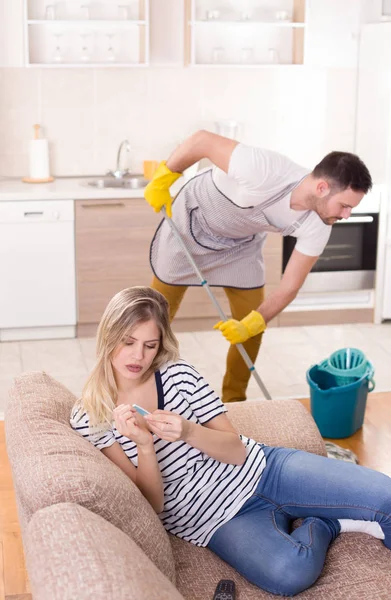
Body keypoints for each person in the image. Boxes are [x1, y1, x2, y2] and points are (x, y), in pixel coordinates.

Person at [70, 286, 390, 598]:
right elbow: (153, 504)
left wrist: (188, 432)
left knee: (386, 495)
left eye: (150, 345)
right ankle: (324, 523)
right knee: (290, 573)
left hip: (266, 470)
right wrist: (144, 444)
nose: (138, 356)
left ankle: (308, 508)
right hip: (216, 519)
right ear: (108, 336)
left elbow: (236, 451)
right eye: (128, 342)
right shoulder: (92, 415)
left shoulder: (178, 375)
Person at [143, 131, 373, 403]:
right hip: (191, 224)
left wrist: (254, 323)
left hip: (240, 245)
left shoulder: (319, 225)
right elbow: (201, 141)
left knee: (252, 324)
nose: (346, 215)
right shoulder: (264, 170)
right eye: (345, 205)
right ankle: (138, 388)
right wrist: (165, 176)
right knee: (153, 317)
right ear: (322, 188)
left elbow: (289, 287)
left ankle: (234, 401)